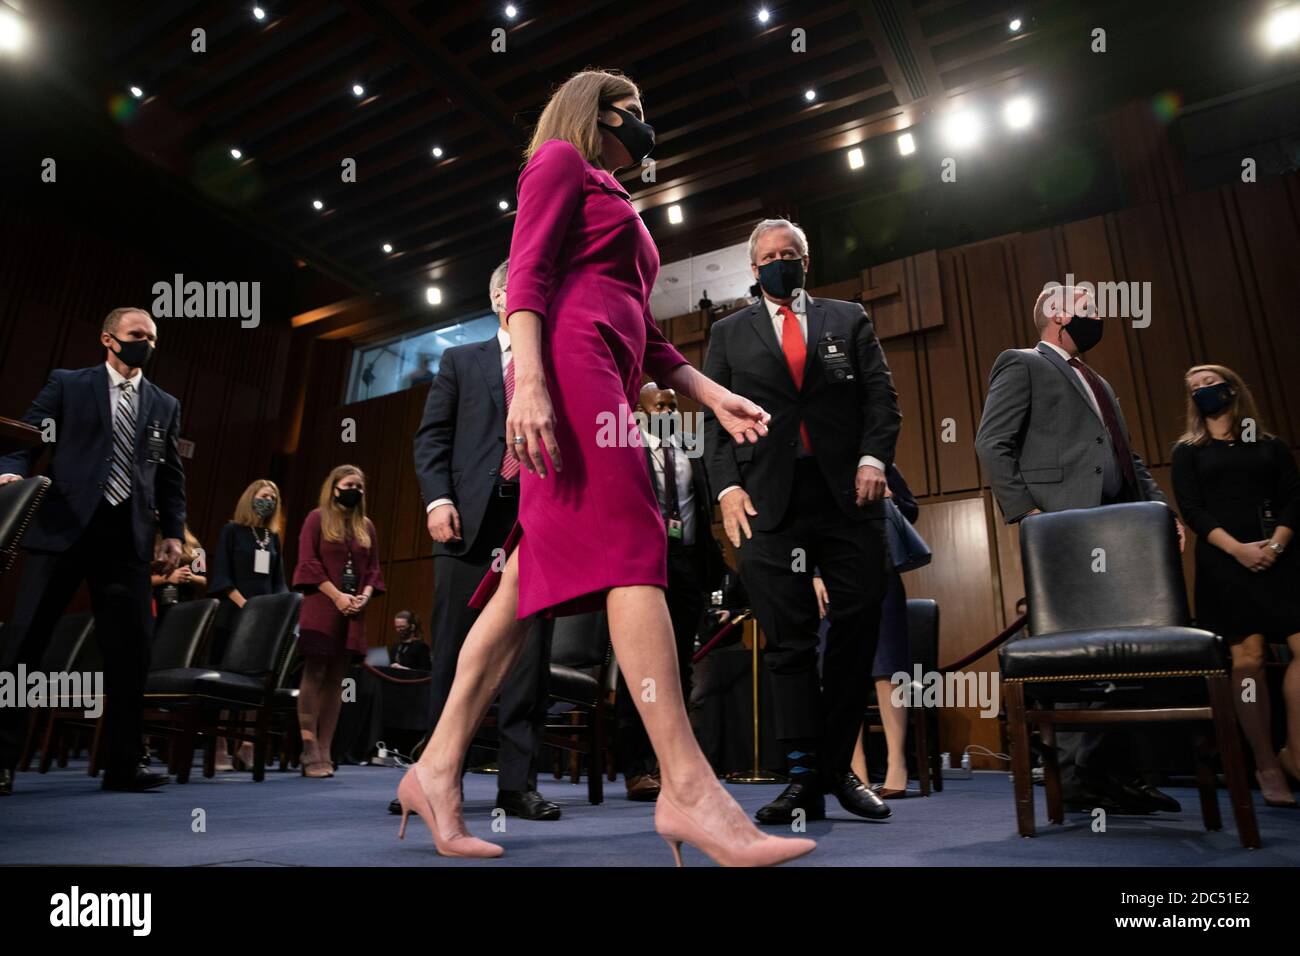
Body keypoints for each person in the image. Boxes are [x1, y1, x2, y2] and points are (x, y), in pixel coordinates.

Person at [393, 69, 813, 866]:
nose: (646, 123)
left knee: (522, 584)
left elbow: (647, 333)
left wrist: (713, 394)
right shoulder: (557, 160)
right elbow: (526, 274)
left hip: (613, 373)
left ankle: (436, 767)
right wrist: (532, 385)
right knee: (632, 549)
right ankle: (688, 787)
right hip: (571, 368)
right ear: (597, 111)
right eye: (636, 110)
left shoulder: (618, 201)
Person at [703, 217, 901, 826]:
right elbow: (714, 422)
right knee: (787, 643)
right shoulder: (727, 333)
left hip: (849, 497)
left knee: (857, 629)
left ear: (805, 262)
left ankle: (836, 769)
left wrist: (873, 458)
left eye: (790, 253)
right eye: (769, 256)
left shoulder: (850, 319)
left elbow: (881, 399)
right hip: (768, 504)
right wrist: (727, 487)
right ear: (753, 267)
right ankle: (801, 782)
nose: (779, 262)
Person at [974, 283, 1182, 814]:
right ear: (1057, 315)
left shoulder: (1099, 381)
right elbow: (990, 442)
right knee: (1074, 661)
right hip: (1063, 533)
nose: (1098, 317)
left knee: (1129, 658)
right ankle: (1071, 779)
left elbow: (1126, 456)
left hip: (1125, 533)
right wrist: (1028, 514)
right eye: (1088, 310)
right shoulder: (1021, 363)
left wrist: (1163, 513)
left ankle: (1117, 777)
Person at [0, 306, 185, 795]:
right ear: (108, 338)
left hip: (127, 537)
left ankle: (123, 766)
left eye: (151, 336)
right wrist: (12, 471)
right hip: (64, 527)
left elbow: (169, 476)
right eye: (135, 334)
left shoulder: (164, 403)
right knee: (25, 646)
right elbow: (28, 435)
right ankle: (1, 758)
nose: (145, 342)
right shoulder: (69, 383)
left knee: (131, 654)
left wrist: (174, 532)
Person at [405, 258, 559, 823]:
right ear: (499, 299)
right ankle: (437, 776)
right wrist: (437, 501)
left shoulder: (551, 363)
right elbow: (432, 439)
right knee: (450, 653)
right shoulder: (459, 360)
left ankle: (518, 786)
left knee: (528, 659)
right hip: (467, 523)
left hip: (535, 523)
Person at [1171, 364, 1300, 807]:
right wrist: (1240, 550)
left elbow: (1292, 499)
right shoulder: (1189, 450)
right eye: (1195, 388)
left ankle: (1295, 753)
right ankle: (1265, 761)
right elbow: (1192, 510)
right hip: (1226, 559)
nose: (1204, 389)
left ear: (1232, 386)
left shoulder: (1269, 444)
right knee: (1249, 659)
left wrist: (1277, 546)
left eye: (1210, 381)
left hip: (1279, 556)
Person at [616, 382, 725, 801]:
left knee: (680, 665)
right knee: (639, 666)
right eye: (659, 403)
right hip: (642, 562)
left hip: (687, 565)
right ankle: (637, 768)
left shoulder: (690, 449)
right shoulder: (624, 444)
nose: (667, 409)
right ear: (641, 408)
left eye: (672, 404)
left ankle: (673, 765)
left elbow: (703, 506)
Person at [293, 465, 385, 778]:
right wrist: (337, 597)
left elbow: (373, 570)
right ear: (334, 488)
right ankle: (309, 747)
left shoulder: (366, 526)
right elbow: (308, 563)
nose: (355, 491)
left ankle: (325, 748)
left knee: (336, 680)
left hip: (353, 610)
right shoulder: (316, 518)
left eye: (360, 487)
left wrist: (365, 595)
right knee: (315, 671)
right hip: (322, 604)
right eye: (350, 485)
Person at [841, 463, 920, 798]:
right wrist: (813, 574)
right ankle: (854, 768)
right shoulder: (816, 458)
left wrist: (889, 496)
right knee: (843, 673)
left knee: (888, 668)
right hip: (833, 574)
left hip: (880, 567)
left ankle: (896, 764)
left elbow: (910, 510)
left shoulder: (878, 460)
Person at [207, 479, 288, 771]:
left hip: (265, 621)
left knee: (258, 683)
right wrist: (248, 607)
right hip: (234, 615)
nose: (269, 500)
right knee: (228, 682)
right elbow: (222, 578)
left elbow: (278, 582)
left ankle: (248, 745)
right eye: (264, 496)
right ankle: (219, 745)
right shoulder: (232, 531)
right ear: (250, 498)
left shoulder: (272, 538)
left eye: (274, 497)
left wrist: (282, 610)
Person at [151, 525, 206, 624]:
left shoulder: (196, 549)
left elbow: (203, 580)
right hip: (157, 602)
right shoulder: (150, 543)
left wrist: (189, 576)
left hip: (185, 601)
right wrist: (167, 578)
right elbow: (139, 580)